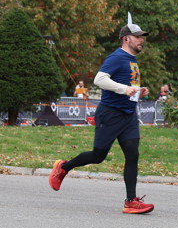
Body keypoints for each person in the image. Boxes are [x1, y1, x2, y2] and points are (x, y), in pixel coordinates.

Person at [49, 21, 154, 214]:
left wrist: (138, 92)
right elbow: (100, 79)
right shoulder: (117, 57)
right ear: (126, 39)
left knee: (133, 155)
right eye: (138, 36)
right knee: (98, 156)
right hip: (110, 114)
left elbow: (125, 85)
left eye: (142, 37)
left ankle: (131, 201)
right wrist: (124, 89)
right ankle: (64, 167)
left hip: (128, 115)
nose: (141, 40)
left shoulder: (132, 59)